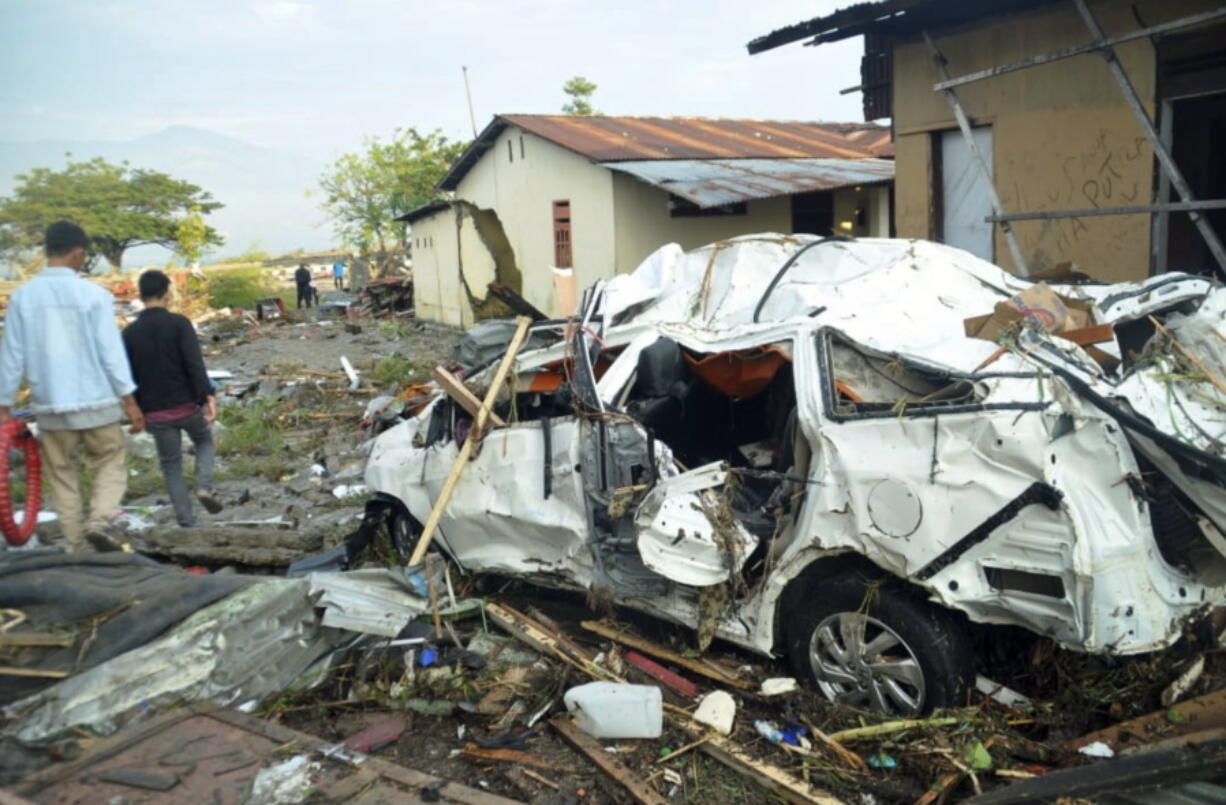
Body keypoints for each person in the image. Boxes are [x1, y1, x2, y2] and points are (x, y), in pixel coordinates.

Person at [0, 221, 145, 552]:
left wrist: (4, 406)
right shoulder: (93, 295)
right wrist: (130, 401)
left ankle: (76, 547)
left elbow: (10, 355)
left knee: (62, 478)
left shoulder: (23, 297)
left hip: (50, 407)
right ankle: (100, 520)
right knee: (110, 461)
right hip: (97, 403)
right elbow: (111, 352)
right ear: (78, 252)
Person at [122, 270, 223, 528]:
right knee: (204, 441)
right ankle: (204, 487)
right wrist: (207, 396)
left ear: (141, 295)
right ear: (166, 293)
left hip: (155, 413)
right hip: (187, 406)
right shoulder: (179, 323)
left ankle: (186, 520)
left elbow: (127, 375)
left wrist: (136, 408)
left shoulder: (129, 333)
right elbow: (194, 364)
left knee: (171, 465)